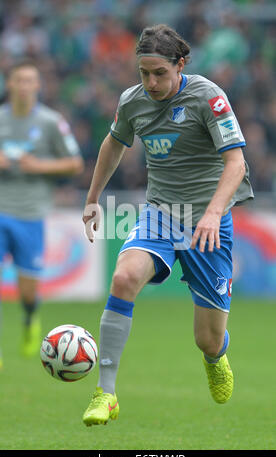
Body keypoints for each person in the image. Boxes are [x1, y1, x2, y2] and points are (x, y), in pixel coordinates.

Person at [82, 24, 254, 426]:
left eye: (159, 72)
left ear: (180, 65)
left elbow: (237, 163)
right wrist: (92, 200)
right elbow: (113, 144)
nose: (151, 82)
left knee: (207, 339)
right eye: (143, 73)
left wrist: (213, 212)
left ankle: (216, 355)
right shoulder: (132, 102)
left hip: (208, 221)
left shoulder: (208, 97)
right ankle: (105, 393)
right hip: (160, 214)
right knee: (123, 278)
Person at [0, 59, 83, 365]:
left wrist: (39, 166)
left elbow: (75, 163)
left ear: (37, 85)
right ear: (9, 84)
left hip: (31, 213)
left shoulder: (51, 122)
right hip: (0, 210)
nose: (24, 86)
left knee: (28, 292)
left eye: (29, 80)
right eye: (18, 80)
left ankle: (29, 319)